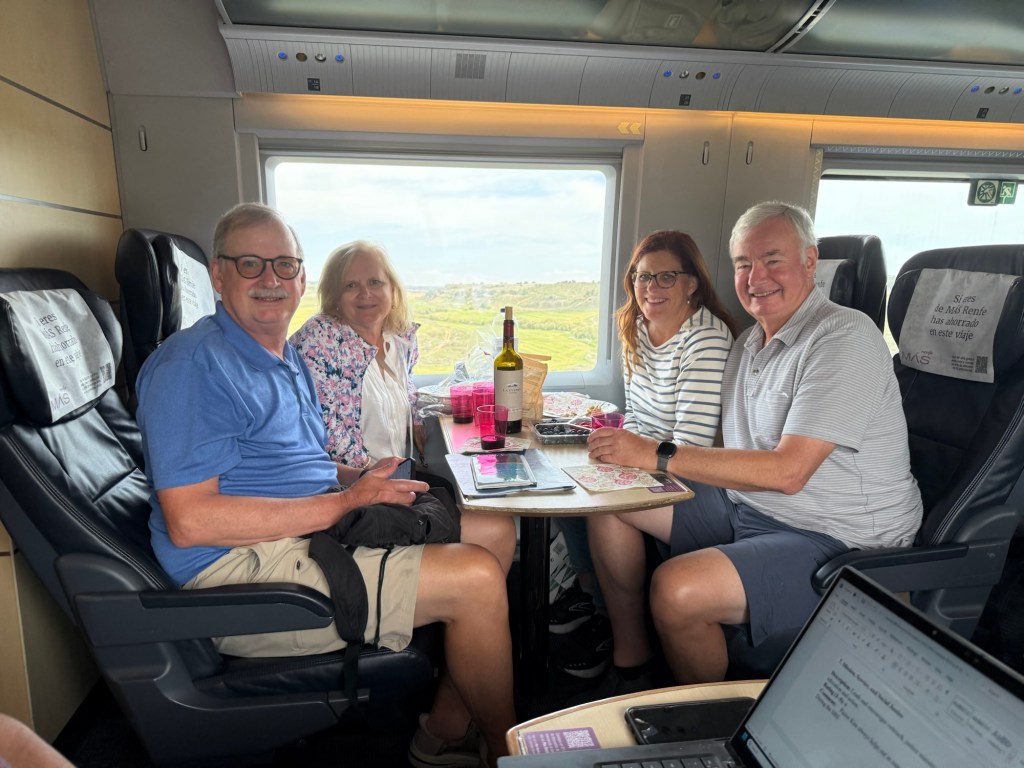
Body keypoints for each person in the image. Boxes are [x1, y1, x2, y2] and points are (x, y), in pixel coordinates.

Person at [136, 203, 515, 768]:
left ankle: (445, 727)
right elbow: (191, 522)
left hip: (302, 531)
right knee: (476, 581)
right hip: (237, 572)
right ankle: (510, 755)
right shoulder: (192, 367)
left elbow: (306, 464)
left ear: (302, 277)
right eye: (250, 264)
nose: (270, 280)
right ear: (217, 275)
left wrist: (360, 481)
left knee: (497, 530)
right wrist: (344, 503)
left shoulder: (282, 355)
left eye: (284, 265)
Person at [587, 201, 922, 694]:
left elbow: (789, 472)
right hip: (749, 507)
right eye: (743, 264)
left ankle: (707, 720)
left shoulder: (844, 337)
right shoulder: (747, 346)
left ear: (810, 261)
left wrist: (654, 453)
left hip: (838, 538)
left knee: (677, 589)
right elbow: (736, 455)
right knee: (610, 500)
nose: (755, 277)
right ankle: (633, 658)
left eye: (772, 260)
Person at [552, 230, 738, 681]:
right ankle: (595, 598)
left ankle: (629, 652)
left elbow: (692, 442)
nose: (651, 288)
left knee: (606, 503)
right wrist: (615, 447)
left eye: (665, 277)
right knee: (570, 470)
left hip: (693, 474)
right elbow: (635, 412)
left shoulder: (705, 339)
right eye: (641, 277)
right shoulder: (634, 328)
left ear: (692, 283)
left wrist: (630, 454)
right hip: (650, 456)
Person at [289, 240, 516, 575]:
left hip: (396, 479)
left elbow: (403, 386)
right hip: (352, 493)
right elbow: (326, 433)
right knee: (497, 530)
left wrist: (419, 417)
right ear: (335, 296)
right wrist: (372, 476)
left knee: (496, 516)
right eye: (351, 285)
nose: (365, 294)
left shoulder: (396, 340)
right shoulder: (321, 341)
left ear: (392, 290)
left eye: (375, 282)